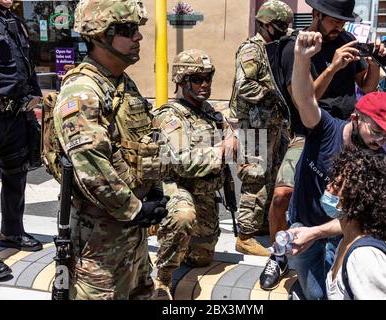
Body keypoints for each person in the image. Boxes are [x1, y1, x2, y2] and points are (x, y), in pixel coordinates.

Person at [260, 0, 386, 290]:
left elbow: (367, 86)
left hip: (348, 131)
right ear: (316, 14)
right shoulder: (296, 47)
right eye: (333, 20)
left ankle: (335, 253)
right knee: (281, 195)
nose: (338, 26)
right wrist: (332, 66)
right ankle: (278, 254)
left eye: (343, 21)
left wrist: (376, 62)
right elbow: (304, 101)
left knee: (348, 200)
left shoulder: (347, 40)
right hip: (311, 128)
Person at [53, 0, 168, 300]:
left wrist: (152, 190)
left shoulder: (120, 83)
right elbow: (92, 168)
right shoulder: (83, 91)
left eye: (137, 29)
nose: (138, 37)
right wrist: (136, 209)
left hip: (131, 232)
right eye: (128, 30)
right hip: (99, 241)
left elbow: (143, 141)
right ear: (101, 35)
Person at [282, 31, 386, 300]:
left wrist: (316, 233)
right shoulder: (326, 129)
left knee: (325, 292)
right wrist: (302, 60)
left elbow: (362, 219)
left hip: (338, 233)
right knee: (309, 285)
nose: (381, 141)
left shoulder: (378, 161)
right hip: (302, 222)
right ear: (355, 118)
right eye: (377, 130)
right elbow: (305, 100)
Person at [152, 49, 237, 300]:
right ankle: (162, 277)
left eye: (208, 78)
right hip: (175, 186)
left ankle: (177, 236)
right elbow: (182, 162)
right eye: (197, 79)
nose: (205, 84)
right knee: (183, 216)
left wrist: (231, 136)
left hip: (204, 192)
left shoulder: (208, 111)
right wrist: (222, 151)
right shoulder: (170, 115)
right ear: (181, 81)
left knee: (201, 259)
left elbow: (228, 131)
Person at [229, 0, 293, 257]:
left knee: (273, 176)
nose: (285, 30)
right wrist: (275, 96)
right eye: (280, 25)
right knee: (255, 179)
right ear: (265, 24)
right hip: (256, 126)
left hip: (274, 125)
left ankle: (262, 225)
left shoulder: (273, 48)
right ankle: (245, 236)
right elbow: (245, 86)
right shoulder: (252, 49)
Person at [0, 0, 43, 280]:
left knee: (16, 173)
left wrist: (34, 99)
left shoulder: (13, 21)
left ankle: (12, 233)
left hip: (17, 113)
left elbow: (27, 66)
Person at [325, 147, 386, 300]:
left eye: (337, 185)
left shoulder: (363, 258)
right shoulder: (346, 241)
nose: (328, 187)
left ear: (359, 198)